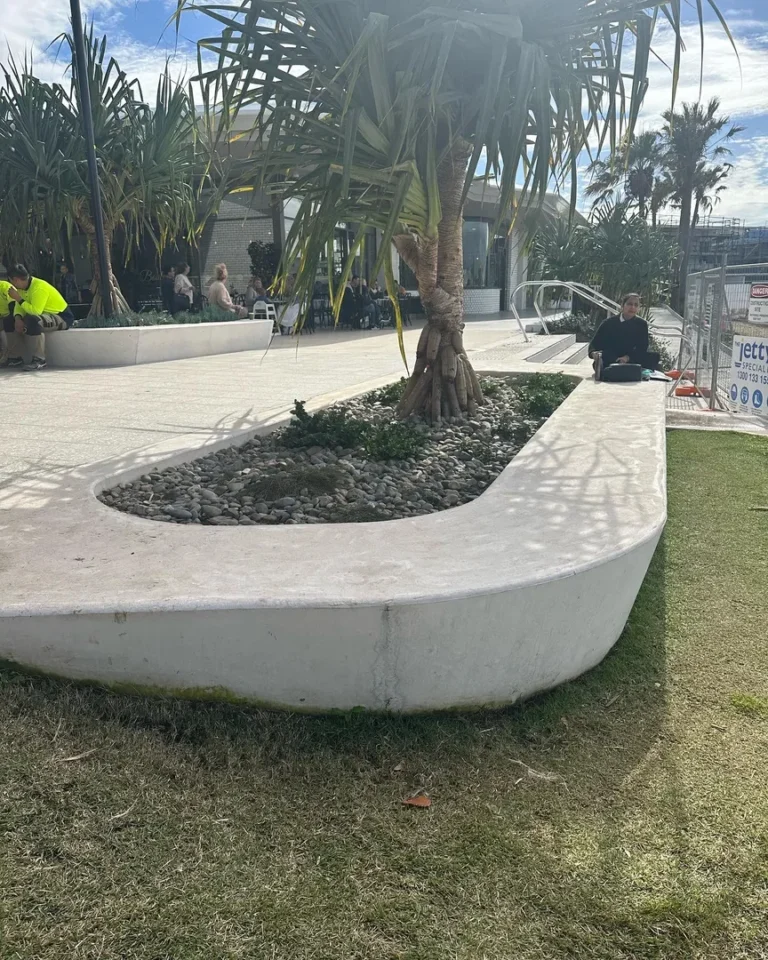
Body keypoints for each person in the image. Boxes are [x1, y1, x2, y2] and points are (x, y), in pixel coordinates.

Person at [2, 264, 74, 371]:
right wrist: (17, 318)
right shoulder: (22, 288)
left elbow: (35, 311)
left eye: (11, 281)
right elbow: (19, 307)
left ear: (16, 280)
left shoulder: (39, 288)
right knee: (8, 320)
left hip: (60, 317)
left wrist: (18, 299)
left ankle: (39, 359)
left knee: (33, 320)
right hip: (43, 316)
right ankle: (15, 357)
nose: (11, 284)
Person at [588, 293, 660, 378]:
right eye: (629, 304)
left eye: (636, 305)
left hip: (631, 360)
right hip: (611, 358)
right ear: (622, 306)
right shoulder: (608, 323)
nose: (632, 307)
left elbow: (642, 347)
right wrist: (594, 354)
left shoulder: (641, 324)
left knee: (652, 357)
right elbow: (594, 344)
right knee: (604, 359)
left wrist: (627, 358)